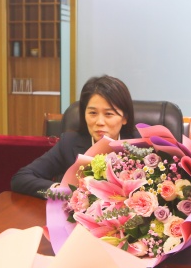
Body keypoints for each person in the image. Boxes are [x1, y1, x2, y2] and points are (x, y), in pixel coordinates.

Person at [10, 75, 138, 197]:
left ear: (125, 118)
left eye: (109, 114)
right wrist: (60, 191)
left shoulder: (139, 145)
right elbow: (21, 178)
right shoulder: (69, 143)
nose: (99, 122)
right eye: (93, 113)